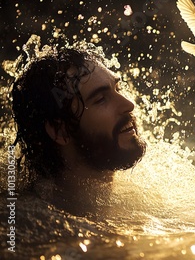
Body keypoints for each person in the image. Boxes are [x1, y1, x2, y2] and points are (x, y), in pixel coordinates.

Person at [10, 45, 146, 216]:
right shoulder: (45, 225)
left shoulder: (152, 192)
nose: (129, 105)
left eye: (118, 89)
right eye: (101, 99)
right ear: (61, 130)